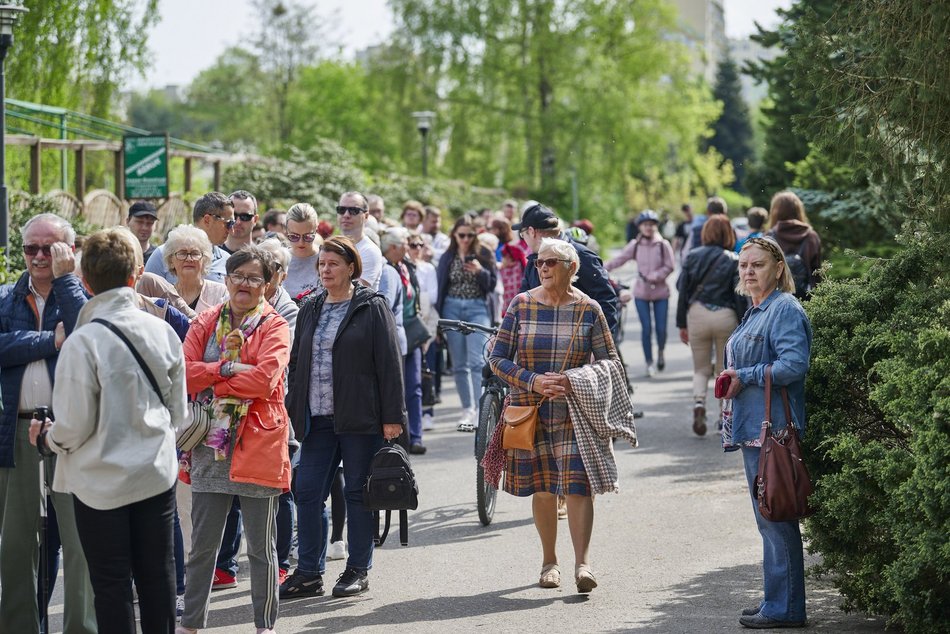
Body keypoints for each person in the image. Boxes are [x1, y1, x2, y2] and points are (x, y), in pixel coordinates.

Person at [30, 227, 188, 633]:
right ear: (135, 276)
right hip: (154, 471)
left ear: (84, 280)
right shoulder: (162, 331)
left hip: (99, 482)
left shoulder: (83, 342)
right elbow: (178, 413)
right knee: (158, 578)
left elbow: (73, 427)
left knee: (111, 584)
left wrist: (46, 438)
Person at [489, 237, 636, 594]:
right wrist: (534, 380)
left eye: (551, 262)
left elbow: (611, 363)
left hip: (575, 410)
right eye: (539, 262)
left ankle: (583, 563)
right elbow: (497, 359)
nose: (543, 268)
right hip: (530, 410)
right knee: (542, 488)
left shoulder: (590, 309)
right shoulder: (520, 305)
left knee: (578, 487)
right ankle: (548, 561)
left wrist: (574, 380)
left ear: (572, 267)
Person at [281, 236, 405, 600]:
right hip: (316, 418)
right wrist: (292, 407)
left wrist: (392, 417)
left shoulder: (371, 306)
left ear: (351, 267)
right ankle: (308, 572)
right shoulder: (310, 307)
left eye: (333, 264)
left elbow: (388, 362)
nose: (325, 270)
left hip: (360, 418)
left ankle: (357, 569)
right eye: (322, 264)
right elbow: (297, 359)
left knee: (357, 493)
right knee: (306, 491)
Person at [178, 246, 292, 634]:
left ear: (267, 284)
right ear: (226, 279)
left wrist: (212, 376)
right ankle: (191, 625)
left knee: (261, 549)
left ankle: (264, 626)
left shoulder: (275, 326)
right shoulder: (206, 321)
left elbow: (265, 380)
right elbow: (185, 374)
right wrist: (226, 367)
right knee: (203, 547)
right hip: (210, 445)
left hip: (258, 444)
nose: (244, 283)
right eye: (238, 275)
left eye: (254, 277)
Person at [0, 213, 97, 634]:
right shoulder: (6, 297)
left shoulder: (79, 293)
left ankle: (82, 627)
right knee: (16, 542)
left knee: (81, 541)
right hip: (17, 430)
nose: (39, 257)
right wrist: (50, 341)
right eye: (30, 249)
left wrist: (65, 279)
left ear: (69, 250)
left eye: (50, 248)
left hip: (72, 432)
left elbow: (87, 335)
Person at [717, 236, 812, 629]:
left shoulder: (784, 309)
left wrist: (745, 374)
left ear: (777, 268)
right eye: (743, 265)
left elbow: (794, 365)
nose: (748, 271)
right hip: (754, 428)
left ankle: (786, 609)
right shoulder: (755, 310)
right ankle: (777, 599)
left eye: (756, 265)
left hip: (773, 432)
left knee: (776, 518)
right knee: (767, 518)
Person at [677, 215, 746, 436]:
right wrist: (745, 323)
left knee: (701, 368)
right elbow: (739, 296)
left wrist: (681, 324)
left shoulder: (692, 257)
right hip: (725, 315)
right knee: (723, 369)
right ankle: (721, 419)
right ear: (729, 234)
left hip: (697, 313)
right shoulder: (734, 259)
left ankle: (699, 404)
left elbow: (683, 292)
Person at [516, 201, 620, 336]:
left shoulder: (581, 256)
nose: (523, 239)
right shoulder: (533, 261)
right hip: (543, 345)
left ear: (531, 231)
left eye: (522, 234)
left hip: (579, 345)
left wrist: (601, 346)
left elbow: (606, 300)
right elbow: (522, 304)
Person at [436, 215, 498, 431]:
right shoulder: (448, 256)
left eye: (470, 235)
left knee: (476, 360)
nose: (465, 239)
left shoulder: (484, 253)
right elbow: (440, 287)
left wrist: (480, 271)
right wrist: (437, 319)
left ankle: (482, 409)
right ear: (454, 234)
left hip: (477, 306)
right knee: (460, 364)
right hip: (451, 307)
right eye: (461, 235)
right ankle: (467, 409)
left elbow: (492, 285)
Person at [605, 209, 675, 376]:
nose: (648, 228)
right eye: (645, 225)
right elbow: (619, 259)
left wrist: (655, 276)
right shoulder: (635, 245)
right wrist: (599, 267)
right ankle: (649, 362)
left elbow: (670, 266)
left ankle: (660, 352)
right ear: (640, 227)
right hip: (642, 293)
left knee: (661, 329)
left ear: (656, 226)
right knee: (646, 329)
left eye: (651, 225)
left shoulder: (663, 244)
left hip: (660, 293)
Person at [381, 227, 427, 454]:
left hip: (412, 333)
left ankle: (416, 436)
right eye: (405, 244)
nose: (409, 248)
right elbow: (387, 306)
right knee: (400, 389)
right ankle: (404, 440)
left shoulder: (407, 267)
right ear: (393, 247)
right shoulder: (386, 271)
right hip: (396, 335)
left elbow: (417, 297)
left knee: (415, 386)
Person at [145, 192, 235, 284]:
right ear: (207, 220)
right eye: (228, 223)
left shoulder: (227, 261)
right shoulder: (162, 254)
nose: (232, 230)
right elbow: (145, 295)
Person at [408, 231, 439, 431]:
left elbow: (432, 296)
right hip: (411, 320)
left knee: (428, 366)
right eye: (412, 244)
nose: (417, 249)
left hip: (426, 320)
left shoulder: (428, 268)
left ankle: (428, 411)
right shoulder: (403, 269)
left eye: (420, 245)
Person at [765, 191, 822, 299]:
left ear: (775, 212)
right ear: (798, 210)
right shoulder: (811, 237)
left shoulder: (769, 237)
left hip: (775, 300)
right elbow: (817, 274)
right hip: (807, 300)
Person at [163, 225, 230, 314]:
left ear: (204, 259)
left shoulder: (220, 293)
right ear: (171, 261)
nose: (189, 259)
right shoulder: (164, 296)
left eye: (195, 253)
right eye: (182, 253)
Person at [337, 191, 383, 290]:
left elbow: (353, 291)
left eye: (353, 210)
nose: (346, 215)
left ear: (366, 216)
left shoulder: (369, 251)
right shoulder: (332, 246)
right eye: (341, 209)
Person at [282, 202, 324, 303]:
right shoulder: (280, 259)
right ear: (286, 230)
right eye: (294, 236)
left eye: (308, 236)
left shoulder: (325, 258)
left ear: (316, 230)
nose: (301, 242)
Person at [223, 190, 259, 255]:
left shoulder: (262, 258)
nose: (238, 222)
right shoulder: (211, 255)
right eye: (233, 215)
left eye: (245, 216)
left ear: (255, 220)